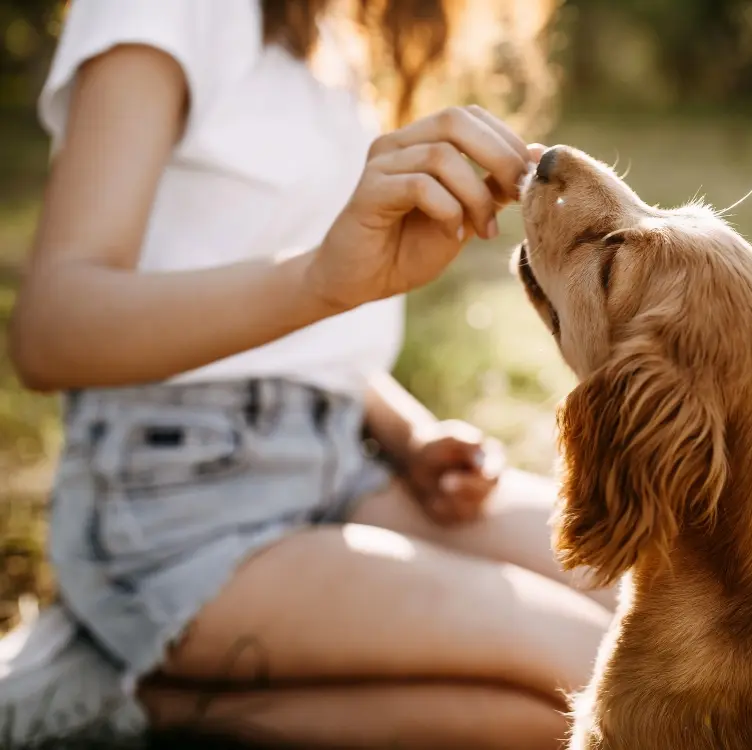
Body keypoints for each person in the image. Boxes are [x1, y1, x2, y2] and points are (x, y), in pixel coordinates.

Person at [0, 1, 614, 748]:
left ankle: (148, 695)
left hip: (342, 464)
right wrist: (321, 279)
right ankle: (123, 697)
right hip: (175, 505)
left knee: (669, 607)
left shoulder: (332, 32)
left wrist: (408, 434)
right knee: (610, 675)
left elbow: (287, 343)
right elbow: (50, 331)